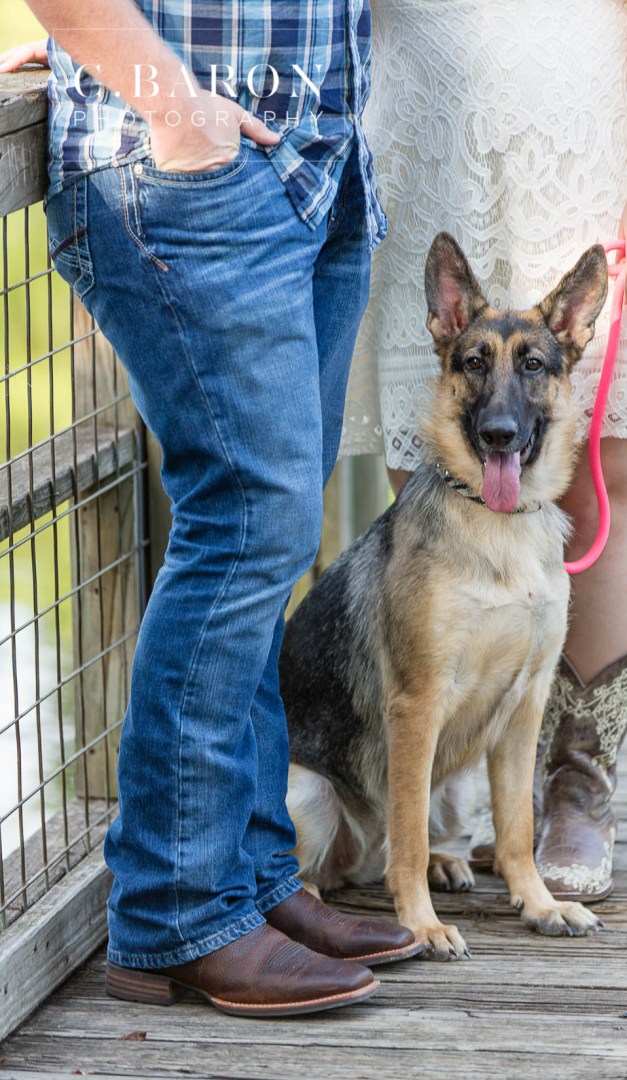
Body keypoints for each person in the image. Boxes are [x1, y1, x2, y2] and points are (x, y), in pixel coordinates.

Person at [3, 0, 420, 1017]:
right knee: (247, 526)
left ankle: (252, 879)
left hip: (315, 167)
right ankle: (175, 907)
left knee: (268, 537)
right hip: (192, 171)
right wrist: (160, 89)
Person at [340, 0, 627, 901]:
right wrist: (132, 40)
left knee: (600, 490)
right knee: (437, 503)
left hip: (591, 146)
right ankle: (441, 803)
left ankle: (576, 786)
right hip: (428, 153)